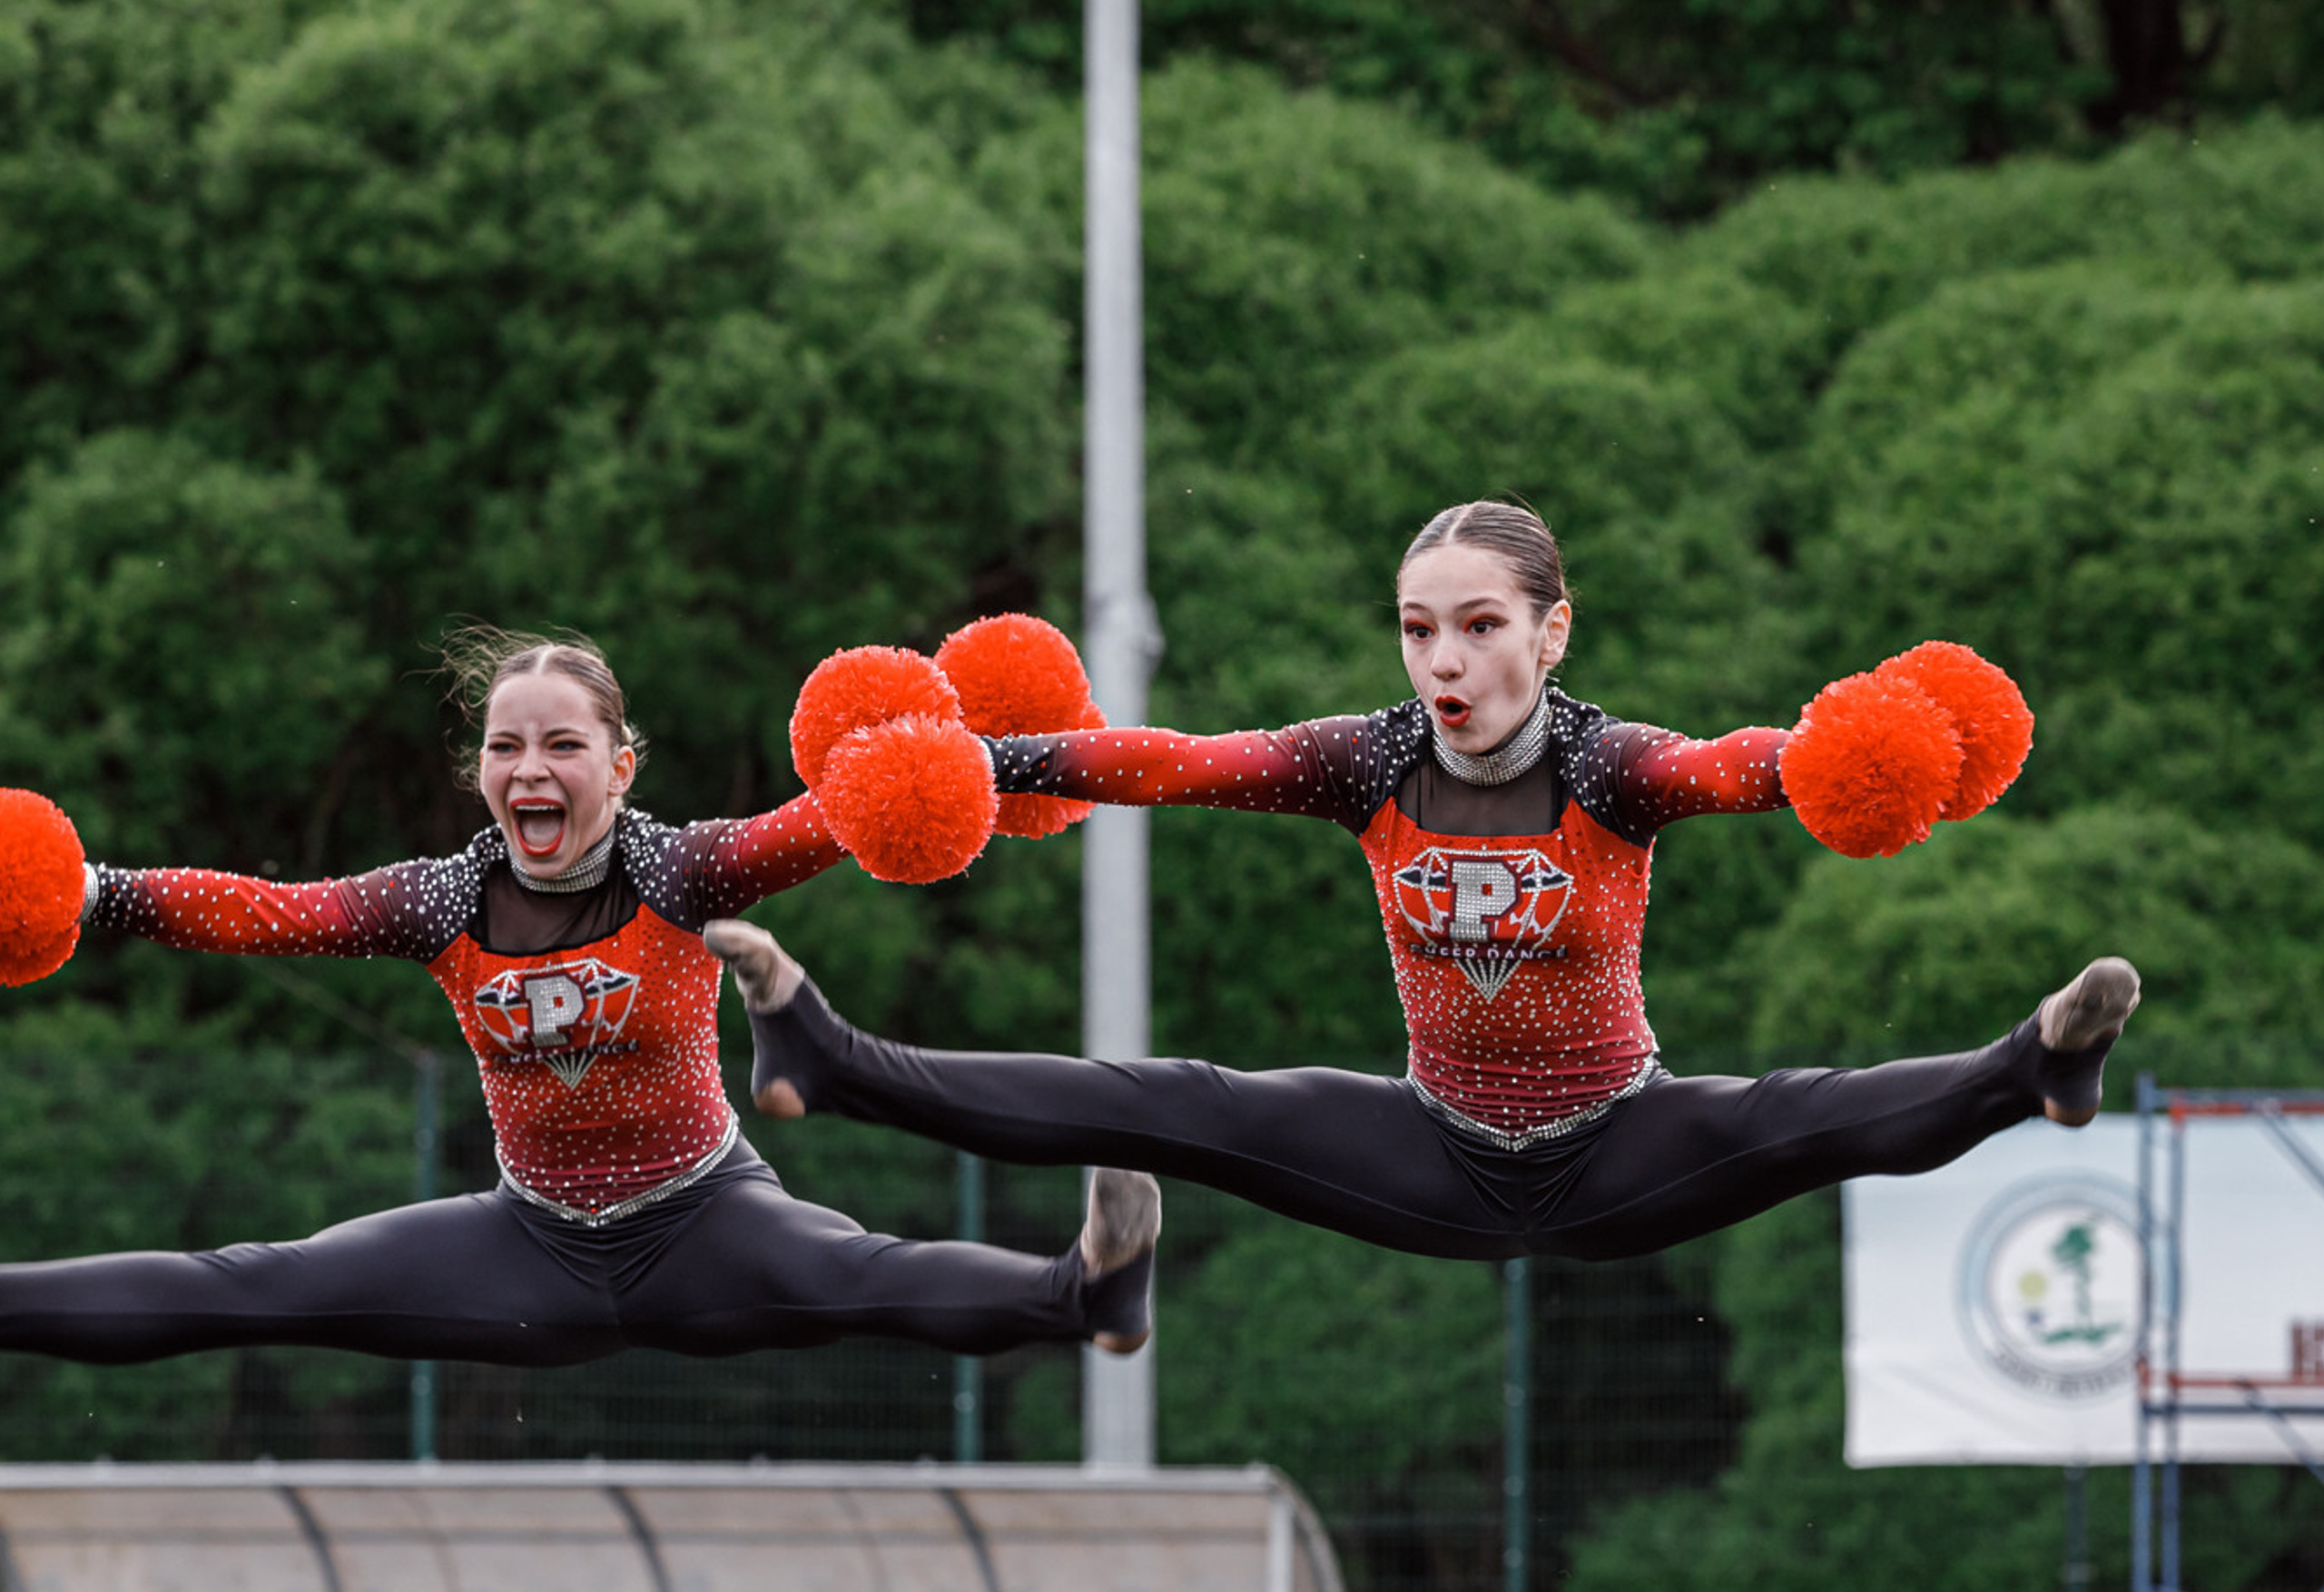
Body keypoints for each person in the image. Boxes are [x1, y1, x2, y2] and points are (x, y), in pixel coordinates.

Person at [711, 502, 2138, 1264]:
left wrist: (1844, 754)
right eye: (1416, 632)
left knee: (1802, 1114)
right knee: (1175, 1102)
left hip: (1615, 1148)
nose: (1443, 663)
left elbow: (1738, 765)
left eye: (1477, 628)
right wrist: (985, 749)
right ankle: (835, 1063)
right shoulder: (1366, 762)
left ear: (1552, 631)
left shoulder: (1615, 769)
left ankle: (2039, 1066)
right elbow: (1177, 761)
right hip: (1430, 1151)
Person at [0, 631, 1157, 1365]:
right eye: (507, 748)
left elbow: (845, 812)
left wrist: (988, 758)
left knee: (867, 1273)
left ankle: (1089, 1288)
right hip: (526, 1246)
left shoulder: (686, 870)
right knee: (252, 1285)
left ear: (621, 767)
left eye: (564, 744)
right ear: (482, 774)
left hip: (706, 1224)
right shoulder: (438, 902)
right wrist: (91, 891)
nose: (531, 770)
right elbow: (269, 910)